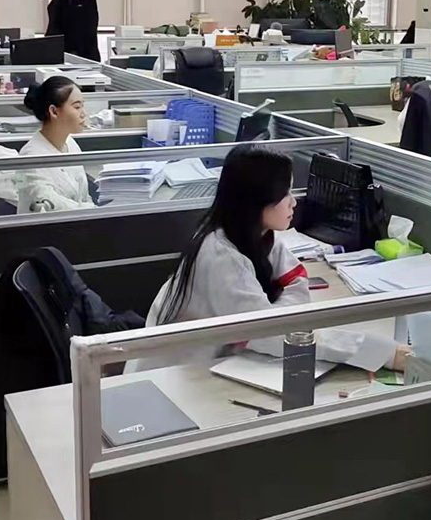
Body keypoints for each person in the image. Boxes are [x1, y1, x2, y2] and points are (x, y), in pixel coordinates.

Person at [144, 145, 408, 371]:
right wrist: (380, 352)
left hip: (219, 362)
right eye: (285, 194)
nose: (293, 202)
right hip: (174, 376)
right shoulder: (219, 255)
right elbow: (271, 333)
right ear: (257, 200)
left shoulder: (257, 234)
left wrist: (274, 318)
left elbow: (297, 282)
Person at [15, 76, 94, 213]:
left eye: (83, 106)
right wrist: (93, 211)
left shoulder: (70, 143)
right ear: (54, 111)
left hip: (79, 222)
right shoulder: (31, 157)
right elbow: (51, 205)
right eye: (77, 107)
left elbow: (84, 197)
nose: (83, 114)